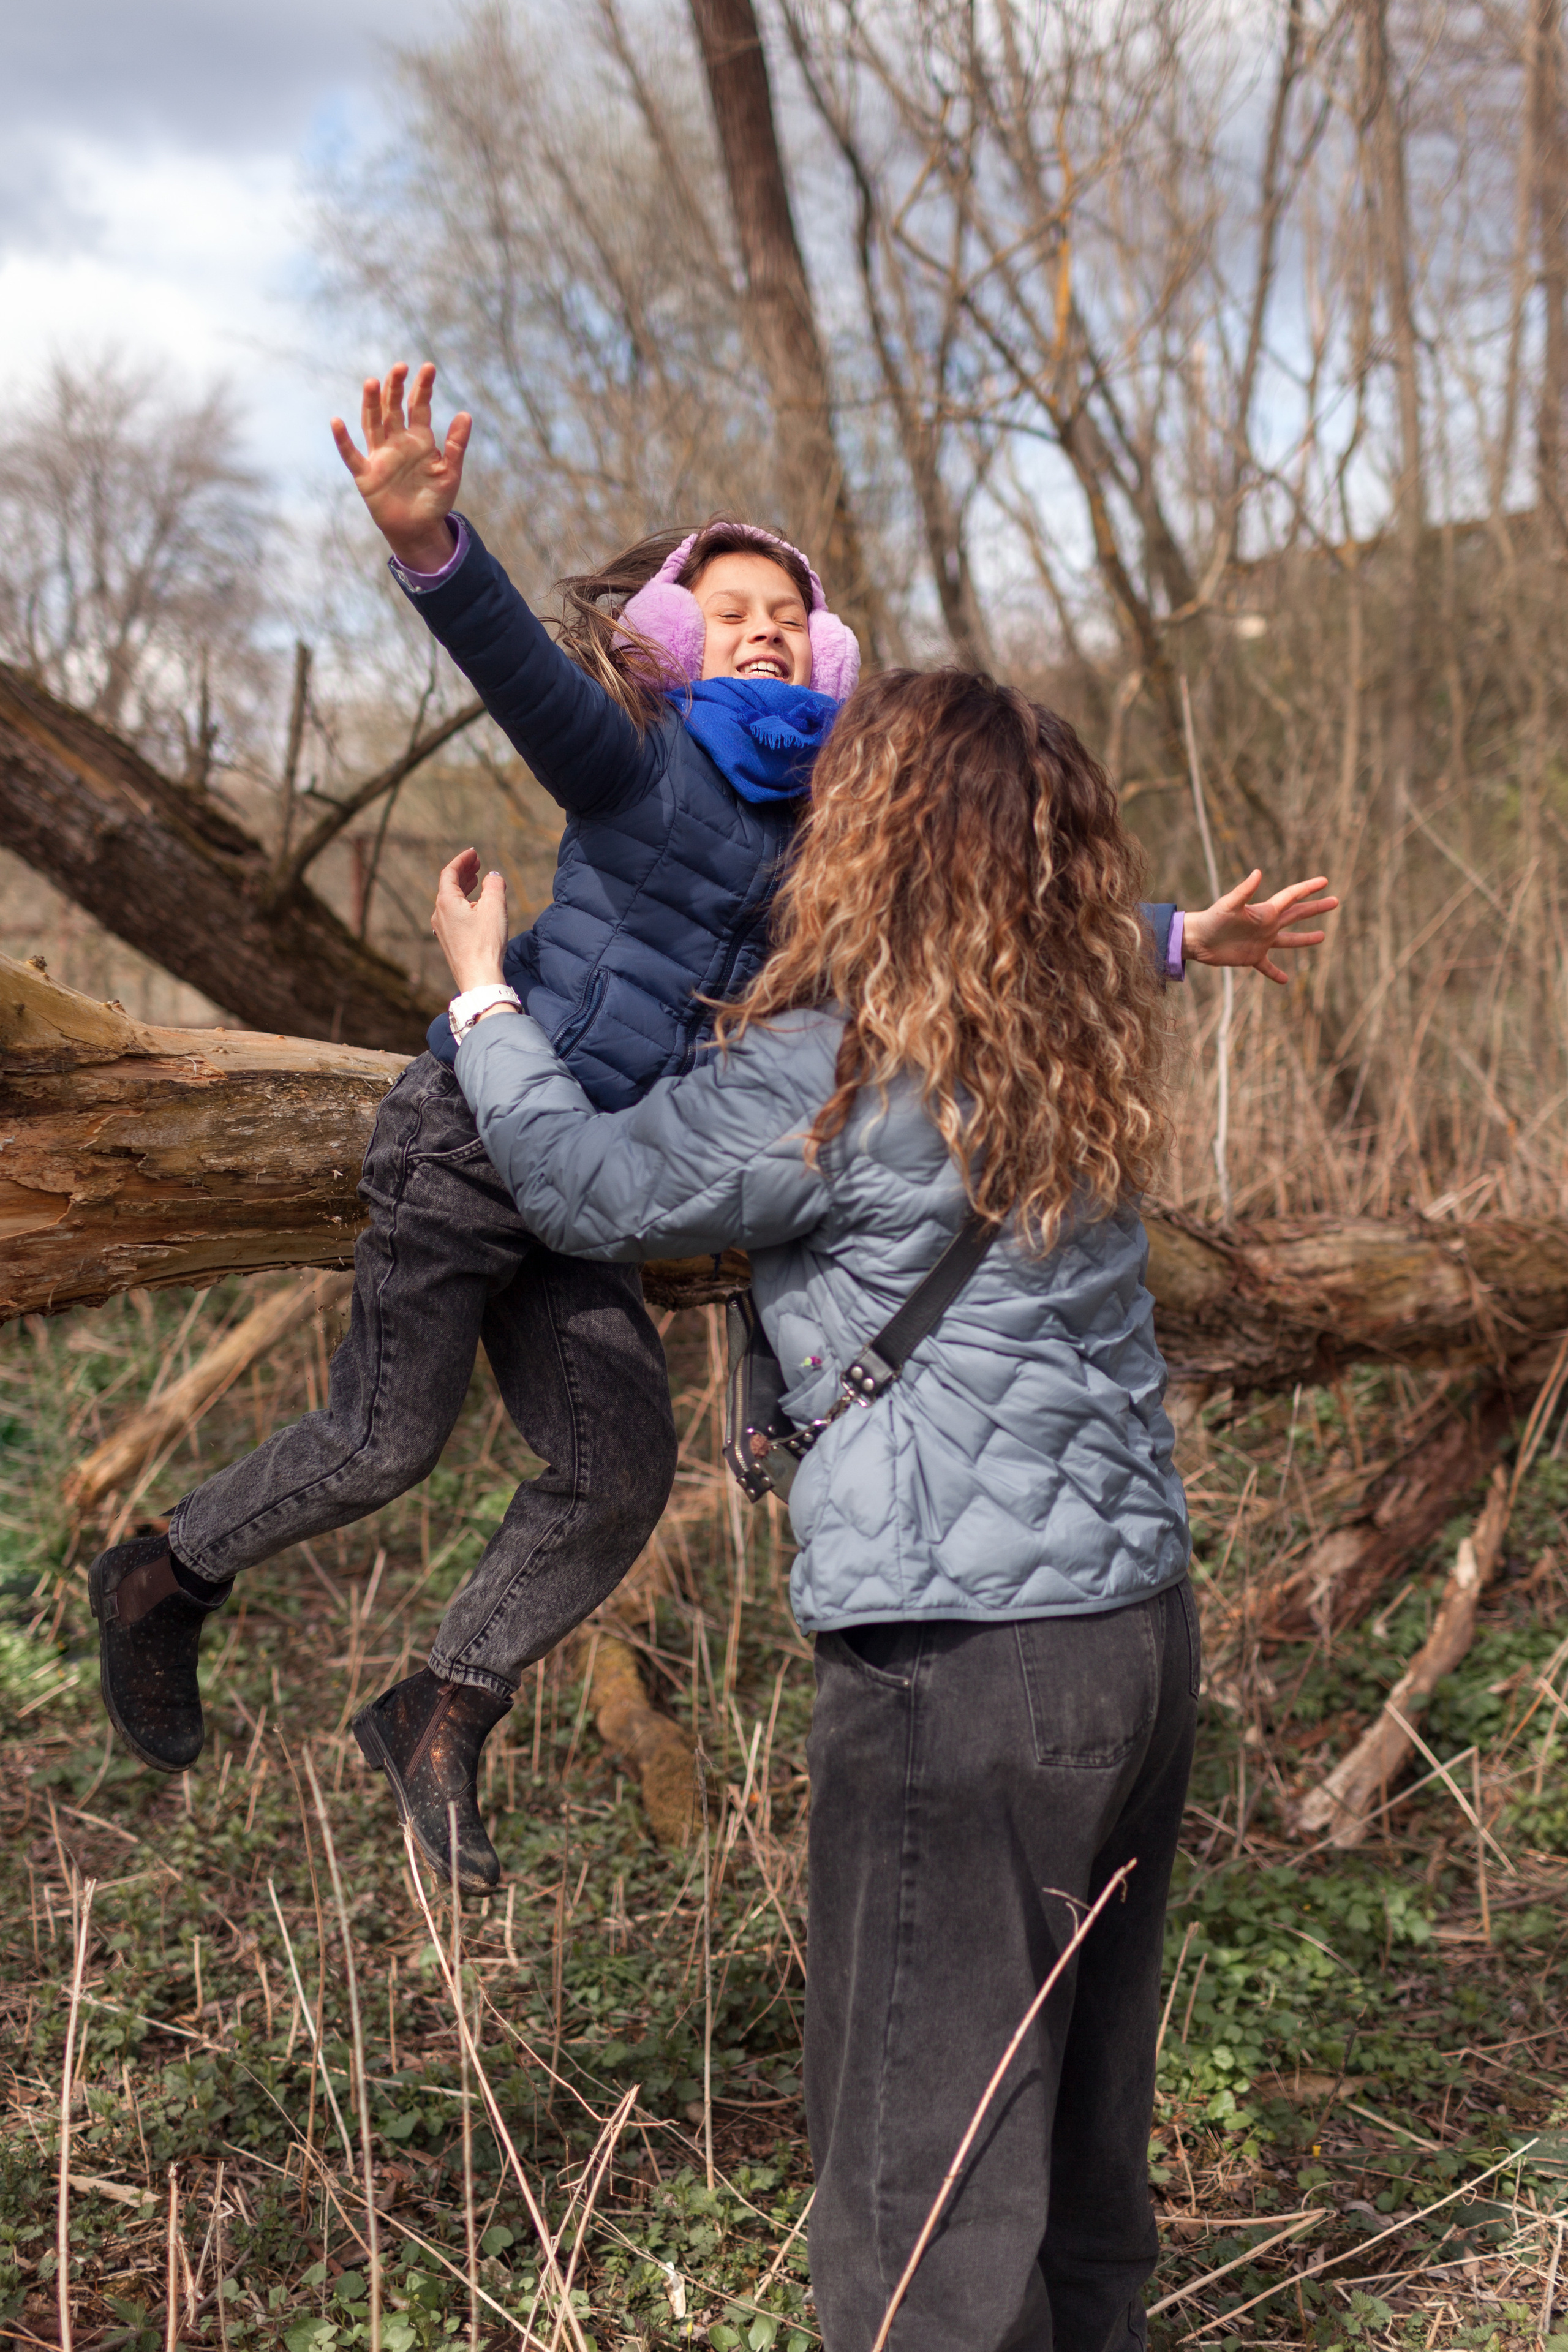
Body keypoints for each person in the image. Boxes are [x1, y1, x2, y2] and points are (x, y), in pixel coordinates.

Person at [85, 360, 1329, 1909]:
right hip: (477, 1135)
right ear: (676, 637)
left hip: (606, 1187)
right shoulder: (642, 757)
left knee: (613, 1474)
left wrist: (1168, 937)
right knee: (387, 1439)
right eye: (731, 603)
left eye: (789, 613)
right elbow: (520, 679)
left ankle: (440, 1707)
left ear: (828, 652)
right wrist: (431, 547)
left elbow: (968, 927)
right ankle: (166, 1571)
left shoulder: (844, 829)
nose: (764, 623)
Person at [427, 666, 1335, 2351]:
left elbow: (584, 1184)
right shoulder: (1071, 1031)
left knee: (926, 2199)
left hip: (962, 1664)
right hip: (1139, 1634)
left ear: (873, 849)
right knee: (1077, 2157)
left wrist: (487, 1001)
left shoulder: (828, 1076)